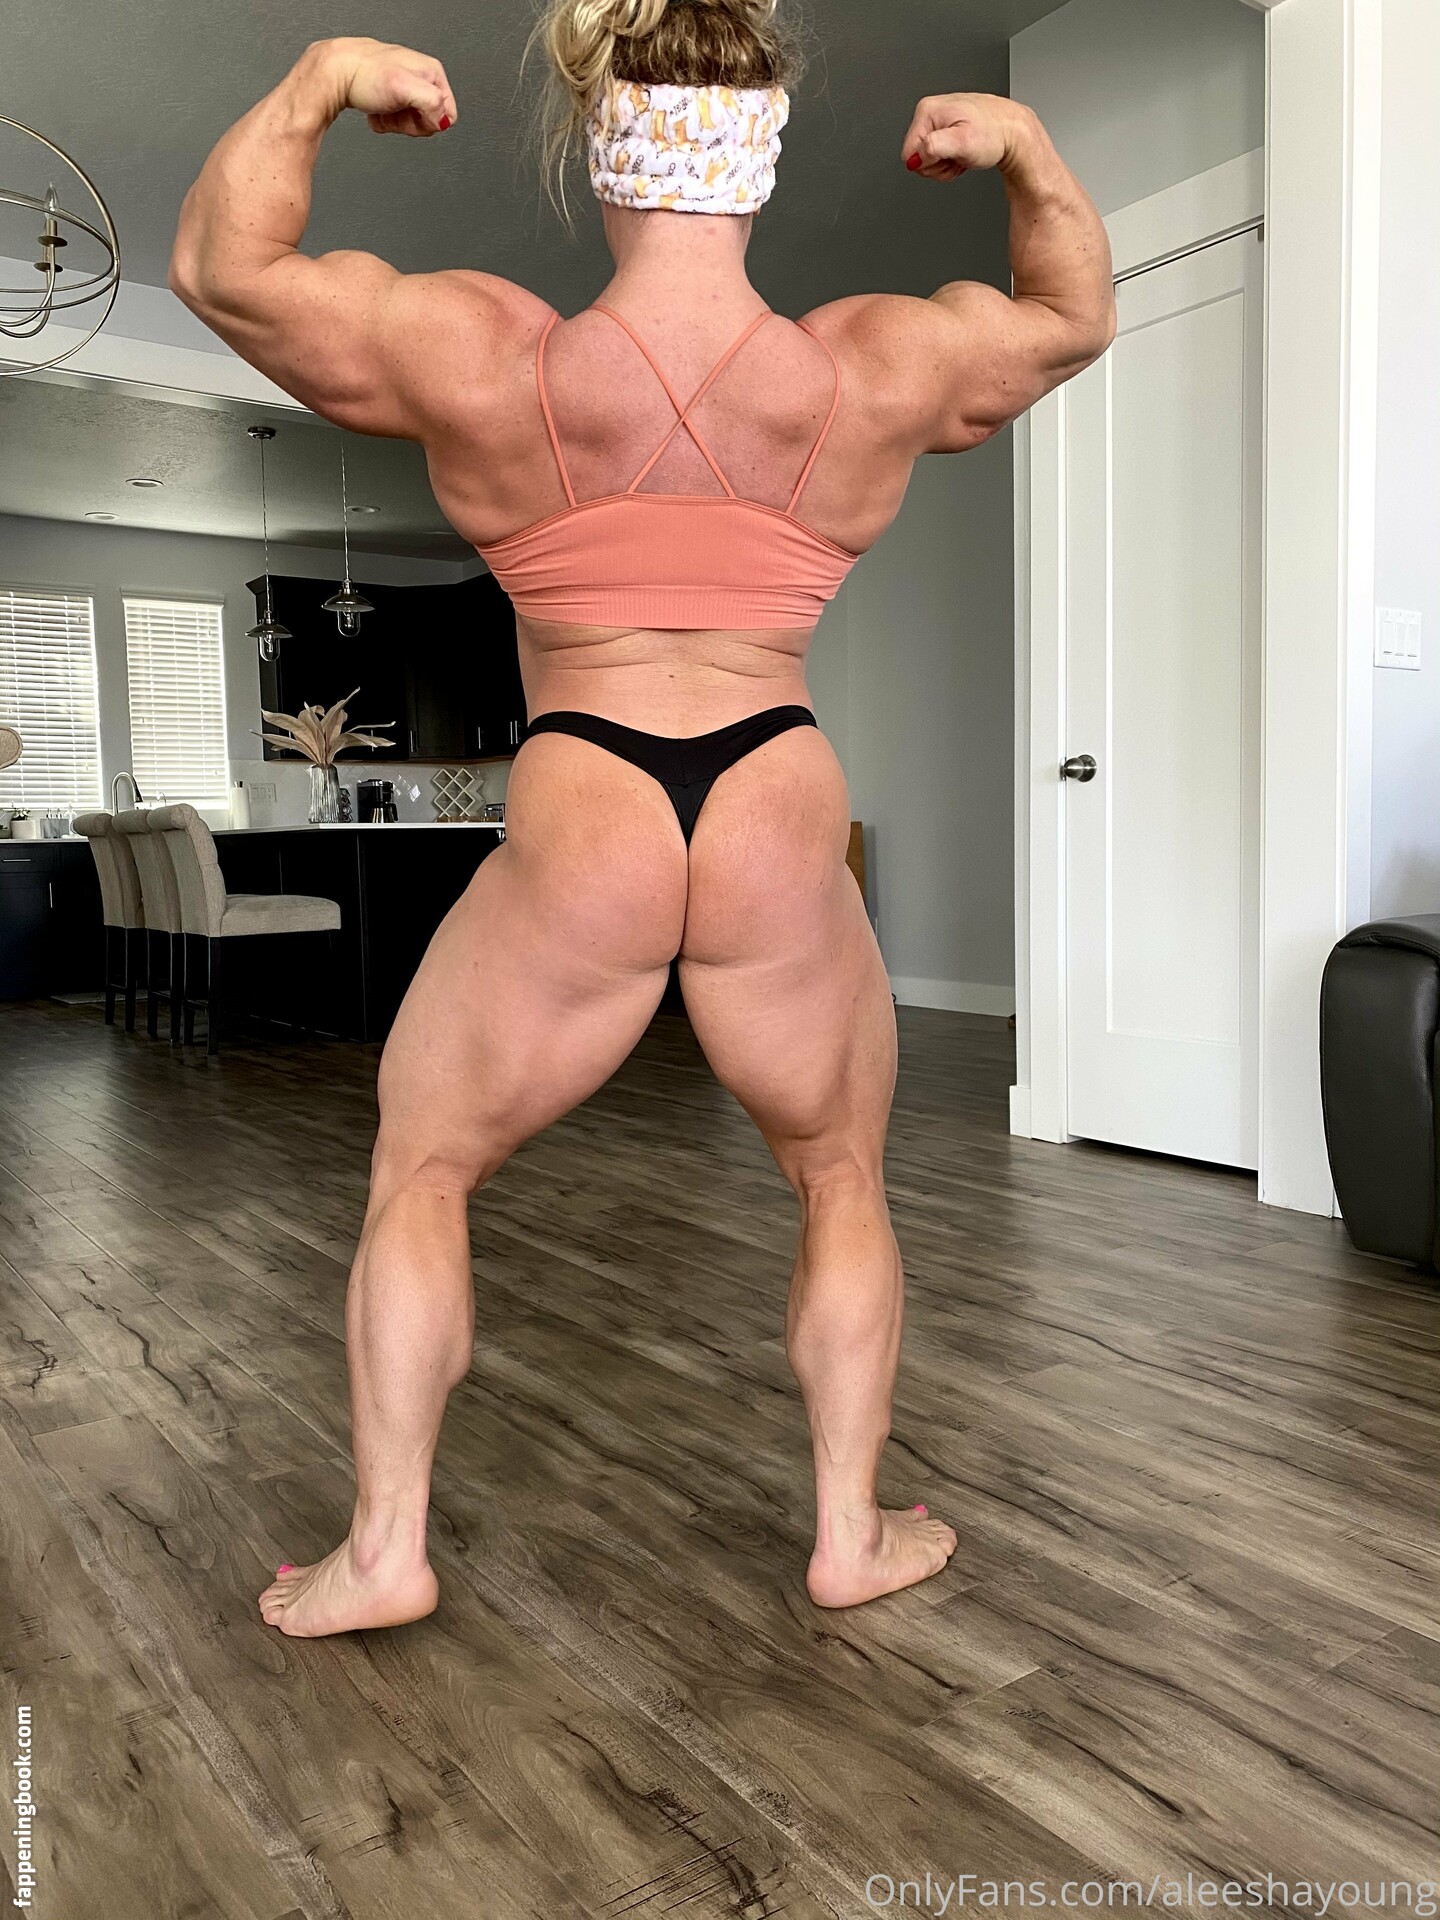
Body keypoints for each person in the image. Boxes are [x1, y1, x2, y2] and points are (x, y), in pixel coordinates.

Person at [170, 0, 1114, 1637]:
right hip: (774, 785)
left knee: (425, 1167)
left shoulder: (489, 355)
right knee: (838, 1174)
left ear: (597, 149)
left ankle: (386, 1550)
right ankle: (848, 1534)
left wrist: (321, 83)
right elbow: (1070, 315)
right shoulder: (868, 364)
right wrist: (1026, 151)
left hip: (588, 784)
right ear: (760, 161)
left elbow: (224, 268)